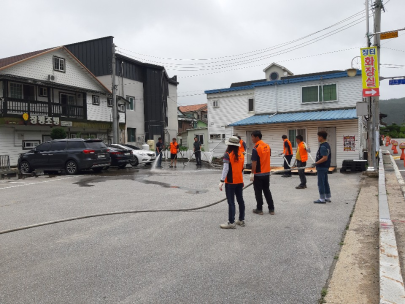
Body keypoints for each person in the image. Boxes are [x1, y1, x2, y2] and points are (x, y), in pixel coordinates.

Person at [218, 136, 246, 229]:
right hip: (239, 181)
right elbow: (242, 169)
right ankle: (241, 220)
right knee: (240, 200)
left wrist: (221, 181)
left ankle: (231, 222)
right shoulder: (241, 154)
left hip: (230, 182)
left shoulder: (228, 154)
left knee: (231, 202)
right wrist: (242, 180)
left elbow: (225, 169)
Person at [250, 130, 275, 215]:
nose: (252, 139)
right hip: (267, 172)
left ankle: (259, 209)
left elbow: (254, 162)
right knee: (267, 190)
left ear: (257, 137)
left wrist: (252, 173)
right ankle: (271, 209)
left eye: (252, 137)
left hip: (258, 173)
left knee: (258, 191)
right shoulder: (267, 146)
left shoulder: (256, 148)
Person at [312, 130, 332, 204]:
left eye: (318, 136)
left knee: (321, 182)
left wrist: (316, 163)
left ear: (321, 137)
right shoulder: (327, 145)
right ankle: (327, 197)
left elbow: (324, 158)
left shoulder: (323, 146)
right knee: (325, 182)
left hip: (321, 167)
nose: (317, 138)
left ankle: (322, 199)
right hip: (326, 166)